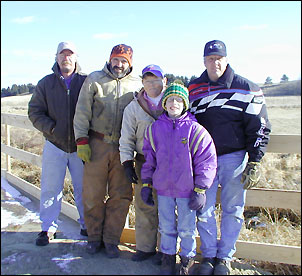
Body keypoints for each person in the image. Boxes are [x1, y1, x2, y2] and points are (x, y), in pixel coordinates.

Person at [188, 40, 271, 275]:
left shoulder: (247, 88)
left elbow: (261, 127)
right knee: (203, 209)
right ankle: (208, 256)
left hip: (234, 158)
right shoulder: (193, 89)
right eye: (210, 59)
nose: (214, 63)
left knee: (233, 209)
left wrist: (255, 160)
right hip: (203, 160)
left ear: (226, 59)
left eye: (218, 59)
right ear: (203, 61)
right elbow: (184, 123)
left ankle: (224, 258)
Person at [73, 44, 142, 258]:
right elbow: (82, 111)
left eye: (124, 61)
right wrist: (82, 141)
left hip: (124, 147)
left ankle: (111, 240)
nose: (119, 64)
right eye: (116, 59)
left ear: (129, 63)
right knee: (92, 194)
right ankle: (94, 238)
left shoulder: (137, 84)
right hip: (97, 143)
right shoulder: (95, 79)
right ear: (110, 59)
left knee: (121, 195)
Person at [140, 82, 217, 275]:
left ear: (185, 104)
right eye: (170, 99)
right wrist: (147, 184)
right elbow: (149, 159)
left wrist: (200, 189)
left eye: (178, 100)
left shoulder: (196, 130)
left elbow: (206, 161)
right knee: (166, 226)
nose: (174, 103)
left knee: (187, 228)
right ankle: (167, 257)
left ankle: (187, 259)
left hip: (186, 190)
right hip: (164, 189)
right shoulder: (154, 129)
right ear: (164, 104)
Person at [28, 41, 88, 246]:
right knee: (50, 189)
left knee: (84, 189)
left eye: (70, 54)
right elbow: (34, 112)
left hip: (81, 146)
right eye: (62, 54)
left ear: (76, 57)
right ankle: (47, 228)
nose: (66, 58)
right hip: (55, 145)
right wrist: (52, 129)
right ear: (56, 57)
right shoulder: (46, 84)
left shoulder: (86, 82)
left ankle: (86, 225)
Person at [119, 64, 167, 263]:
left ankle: (167, 250)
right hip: (143, 161)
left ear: (164, 81)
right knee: (144, 204)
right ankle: (146, 248)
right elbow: (126, 137)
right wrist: (127, 162)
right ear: (142, 83)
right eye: (148, 80)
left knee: (167, 207)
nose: (152, 84)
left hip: (170, 164)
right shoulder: (134, 107)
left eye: (156, 80)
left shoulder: (173, 102)